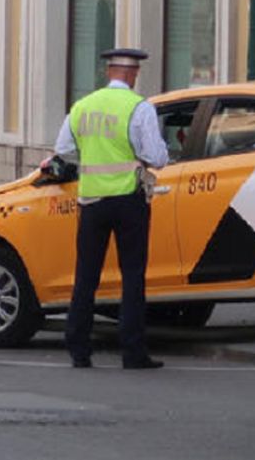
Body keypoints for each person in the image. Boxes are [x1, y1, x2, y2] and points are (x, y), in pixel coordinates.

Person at [54, 48, 168, 369]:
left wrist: (89, 160)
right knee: (132, 276)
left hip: (91, 201)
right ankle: (132, 352)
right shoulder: (139, 108)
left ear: (109, 72)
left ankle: (78, 349)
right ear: (132, 75)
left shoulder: (82, 107)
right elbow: (157, 157)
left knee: (86, 275)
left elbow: (63, 149)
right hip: (129, 199)